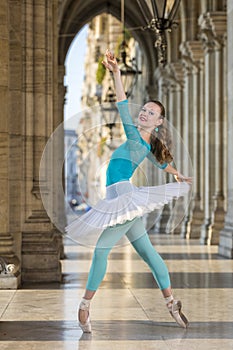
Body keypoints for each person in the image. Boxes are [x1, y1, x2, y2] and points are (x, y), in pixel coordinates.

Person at [66, 49, 192, 333]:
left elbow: (122, 104)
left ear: (158, 122)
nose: (144, 113)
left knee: (100, 251)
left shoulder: (137, 138)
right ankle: (171, 304)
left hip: (123, 198)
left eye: (151, 112)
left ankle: (85, 307)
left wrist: (116, 74)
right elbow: (162, 163)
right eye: (144, 109)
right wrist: (178, 174)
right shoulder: (145, 144)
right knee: (148, 253)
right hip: (122, 198)